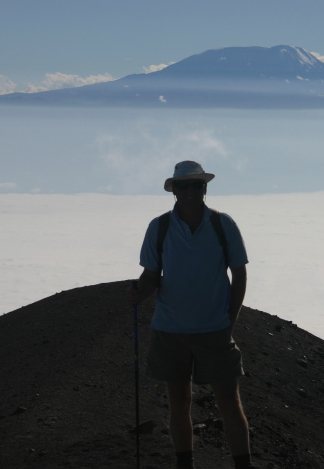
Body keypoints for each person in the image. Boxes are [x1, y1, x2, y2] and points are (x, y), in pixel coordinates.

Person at [129, 160, 254, 469]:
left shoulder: (222, 225)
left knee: (228, 401)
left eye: (195, 185)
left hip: (212, 329)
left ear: (205, 188)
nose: (190, 191)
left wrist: (230, 321)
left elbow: (240, 275)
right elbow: (151, 274)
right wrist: (138, 293)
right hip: (171, 329)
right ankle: (186, 464)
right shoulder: (159, 227)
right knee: (180, 402)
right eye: (183, 186)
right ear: (174, 190)